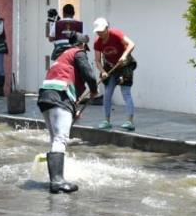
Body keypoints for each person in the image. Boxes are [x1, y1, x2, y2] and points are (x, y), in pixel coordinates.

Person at [38, 31, 99, 194]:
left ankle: (54, 177)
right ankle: (57, 181)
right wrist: (94, 90)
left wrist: (73, 110)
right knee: (60, 139)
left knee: (55, 139)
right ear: (82, 45)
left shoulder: (61, 57)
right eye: (85, 47)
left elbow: (68, 86)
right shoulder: (77, 53)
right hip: (59, 96)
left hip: (45, 97)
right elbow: (89, 74)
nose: (86, 51)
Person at [93, 17, 137, 131]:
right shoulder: (97, 42)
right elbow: (97, 60)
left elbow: (131, 44)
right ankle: (106, 120)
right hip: (110, 68)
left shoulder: (116, 34)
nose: (100, 33)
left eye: (101, 31)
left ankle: (130, 121)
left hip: (124, 66)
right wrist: (102, 72)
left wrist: (124, 55)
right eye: (98, 31)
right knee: (107, 94)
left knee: (125, 92)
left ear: (107, 28)